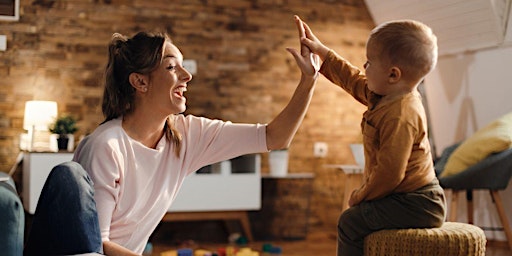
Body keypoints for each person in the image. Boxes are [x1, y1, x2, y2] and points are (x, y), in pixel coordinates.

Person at [24, 16, 319, 256]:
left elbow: (274, 137)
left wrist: (308, 82)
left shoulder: (188, 135)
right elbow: (96, 245)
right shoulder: (107, 146)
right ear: (140, 81)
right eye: (172, 67)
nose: (187, 76)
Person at [296, 17, 447, 256]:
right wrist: (322, 52)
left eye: (368, 62)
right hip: (401, 197)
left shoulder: (401, 114)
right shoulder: (385, 95)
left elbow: (390, 172)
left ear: (393, 74)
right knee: (360, 217)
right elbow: (352, 79)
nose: (364, 68)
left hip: (419, 203)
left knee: (351, 221)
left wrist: (360, 196)